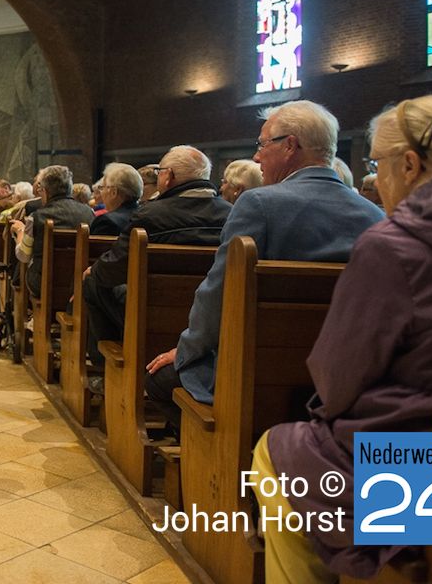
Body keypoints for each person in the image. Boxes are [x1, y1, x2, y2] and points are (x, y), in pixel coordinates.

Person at [254, 94, 432, 583]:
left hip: (426, 472)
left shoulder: (394, 246)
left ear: (409, 165)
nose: (378, 177)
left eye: (377, 164)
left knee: (275, 452)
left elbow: (336, 378)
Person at [145, 101, 385, 434]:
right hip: (340, 383)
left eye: (262, 144)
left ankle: (218, 458)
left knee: (159, 380)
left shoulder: (258, 204)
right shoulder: (375, 217)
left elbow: (218, 294)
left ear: (290, 145)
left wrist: (186, 351)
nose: (257, 157)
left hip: (254, 379)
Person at [82, 146, 231, 375]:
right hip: (211, 319)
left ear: (168, 176)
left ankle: (106, 367)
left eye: (160, 172)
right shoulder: (231, 213)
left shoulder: (150, 215)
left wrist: (94, 271)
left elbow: (112, 269)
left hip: (152, 315)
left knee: (93, 280)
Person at [12, 165, 95, 299]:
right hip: (80, 282)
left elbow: (23, 256)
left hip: (43, 283)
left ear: (45, 191)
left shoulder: (37, 216)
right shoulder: (89, 213)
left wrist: (20, 231)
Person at [89, 163, 143, 235]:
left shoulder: (106, 223)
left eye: (102, 187)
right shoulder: (146, 217)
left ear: (114, 192)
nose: (101, 193)